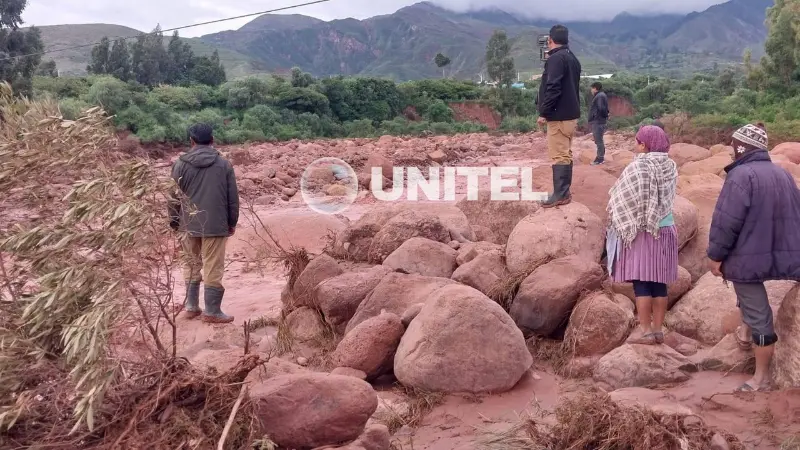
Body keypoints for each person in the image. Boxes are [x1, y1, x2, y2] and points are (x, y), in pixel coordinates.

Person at [707, 123, 800, 392]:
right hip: (779, 252)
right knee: (748, 297)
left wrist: (715, 256)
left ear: (741, 148)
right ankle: (746, 334)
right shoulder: (781, 174)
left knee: (758, 312)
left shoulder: (740, 176)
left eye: (733, 146)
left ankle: (761, 378)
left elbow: (726, 222)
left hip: (747, 257)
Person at [606, 125, 679, 345]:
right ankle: (658, 330)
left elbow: (623, 198)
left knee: (641, 282)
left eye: (637, 142)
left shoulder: (638, 166)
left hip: (642, 231)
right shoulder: (671, 165)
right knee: (659, 281)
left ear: (644, 145)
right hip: (665, 228)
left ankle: (645, 331)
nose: (635, 146)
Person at [168, 123, 239, 324]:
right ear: (212, 140)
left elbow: (173, 197)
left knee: (191, 263)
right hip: (216, 224)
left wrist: (174, 221)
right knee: (213, 266)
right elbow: (232, 197)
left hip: (187, 224)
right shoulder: (223, 164)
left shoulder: (180, 164)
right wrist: (231, 222)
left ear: (191, 141)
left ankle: (191, 307)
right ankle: (212, 311)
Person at [537, 24, 582, 208]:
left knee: (559, 155)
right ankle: (563, 192)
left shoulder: (556, 59)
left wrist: (544, 112)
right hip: (570, 115)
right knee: (566, 153)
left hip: (559, 116)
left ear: (550, 40)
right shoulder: (572, 58)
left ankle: (561, 195)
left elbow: (553, 88)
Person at [588, 82, 609, 165]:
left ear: (595, 88)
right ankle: (600, 157)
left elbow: (601, 108)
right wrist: (606, 115)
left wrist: (600, 116)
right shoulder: (602, 95)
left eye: (592, 88)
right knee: (599, 139)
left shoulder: (599, 96)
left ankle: (600, 159)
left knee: (598, 140)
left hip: (598, 121)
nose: (591, 90)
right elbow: (605, 108)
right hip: (600, 121)